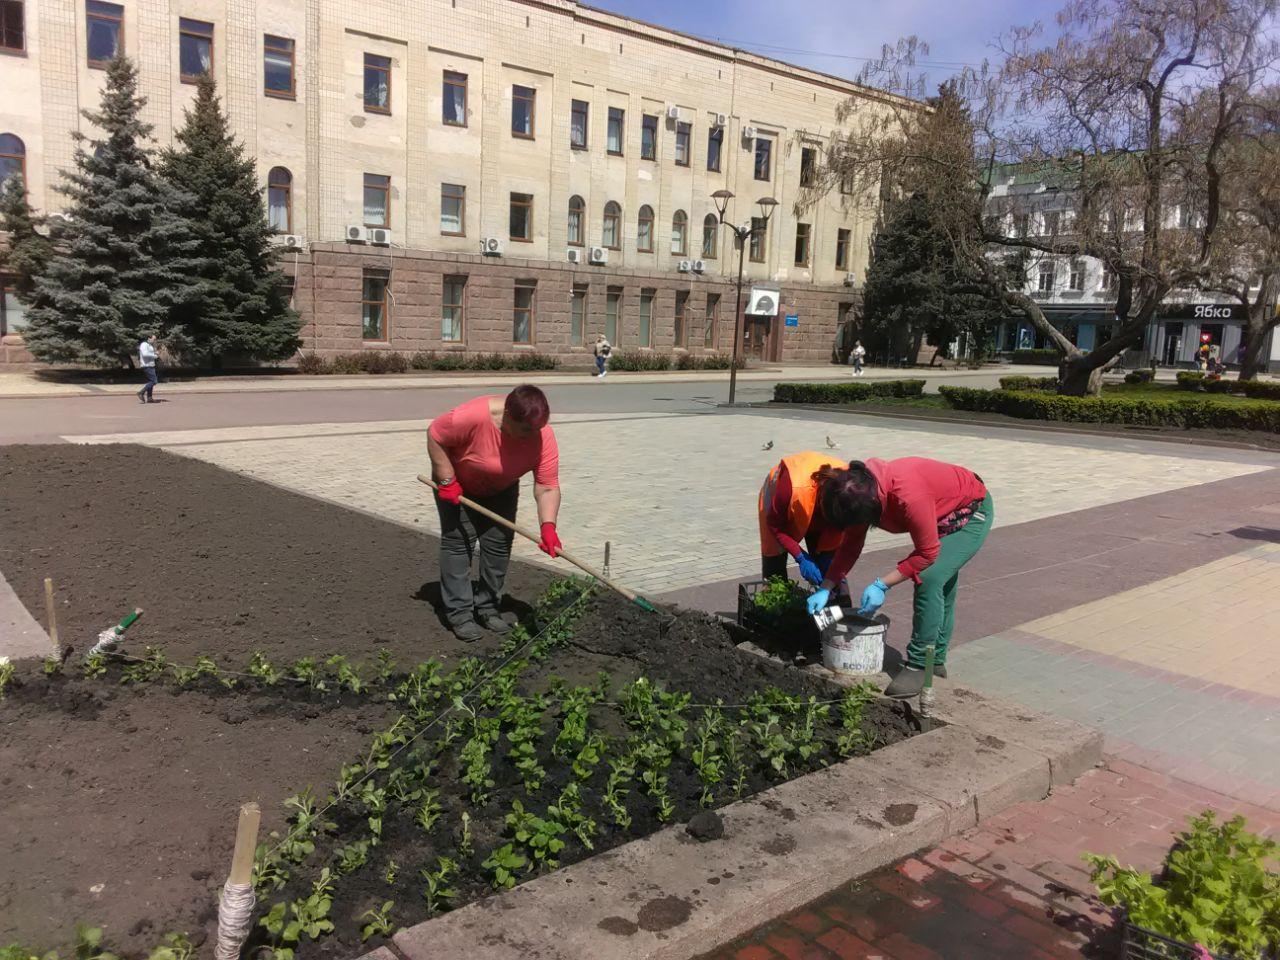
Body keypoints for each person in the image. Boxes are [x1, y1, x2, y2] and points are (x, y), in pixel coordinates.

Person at [805, 458, 993, 699]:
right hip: (939, 512)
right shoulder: (856, 489)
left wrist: (881, 584)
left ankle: (919, 664)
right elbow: (850, 546)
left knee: (930, 577)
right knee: (941, 581)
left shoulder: (908, 495)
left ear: (872, 504)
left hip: (970, 512)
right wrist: (826, 586)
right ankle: (934, 661)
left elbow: (927, 553)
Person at [426, 385, 563, 642]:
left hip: (502, 489)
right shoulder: (474, 416)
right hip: (458, 485)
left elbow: (546, 487)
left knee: (498, 545)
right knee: (460, 543)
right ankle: (460, 614)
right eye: (526, 430)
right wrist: (446, 480)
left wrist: (548, 526)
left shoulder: (542, 436)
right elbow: (435, 434)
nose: (534, 435)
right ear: (508, 416)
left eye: (539, 428)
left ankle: (488, 607)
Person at [758, 451, 848, 594]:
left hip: (814, 503)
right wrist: (800, 557)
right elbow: (775, 525)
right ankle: (775, 604)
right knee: (775, 562)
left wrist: (827, 557)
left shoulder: (850, 489)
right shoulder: (791, 488)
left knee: (829, 568)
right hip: (780, 504)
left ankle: (836, 603)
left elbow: (841, 527)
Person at [136, 334, 159, 403]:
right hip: (146, 365)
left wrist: (155, 352)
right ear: (149, 338)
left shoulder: (149, 345)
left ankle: (149, 397)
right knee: (154, 381)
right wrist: (155, 356)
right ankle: (141, 392)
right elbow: (145, 354)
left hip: (151, 365)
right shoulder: (144, 345)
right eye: (153, 339)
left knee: (150, 381)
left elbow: (148, 353)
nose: (154, 341)